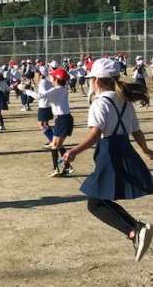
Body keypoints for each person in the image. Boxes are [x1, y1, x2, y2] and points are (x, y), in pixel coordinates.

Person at [64, 58, 153, 262]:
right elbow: (136, 131)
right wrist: (146, 150)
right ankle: (136, 230)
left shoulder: (99, 103)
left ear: (96, 81)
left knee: (95, 203)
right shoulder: (125, 101)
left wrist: (74, 151)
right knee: (99, 200)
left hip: (109, 153)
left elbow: (95, 134)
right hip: (125, 150)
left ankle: (134, 231)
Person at [21, 67, 74, 176]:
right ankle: (66, 167)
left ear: (56, 79)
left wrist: (25, 90)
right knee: (56, 144)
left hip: (63, 119)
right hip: (62, 118)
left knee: (55, 145)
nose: (51, 78)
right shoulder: (62, 88)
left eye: (52, 76)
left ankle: (58, 168)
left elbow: (40, 96)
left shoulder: (56, 90)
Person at [36, 65, 54, 145]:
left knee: (41, 125)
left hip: (43, 106)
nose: (36, 75)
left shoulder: (42, 83)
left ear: (40, 74)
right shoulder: (48, 82)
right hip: (48, 105)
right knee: (46, 124)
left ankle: (53, 140)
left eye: (37, 73)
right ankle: (52, 139)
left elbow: (42, 95)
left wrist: (28, 92)